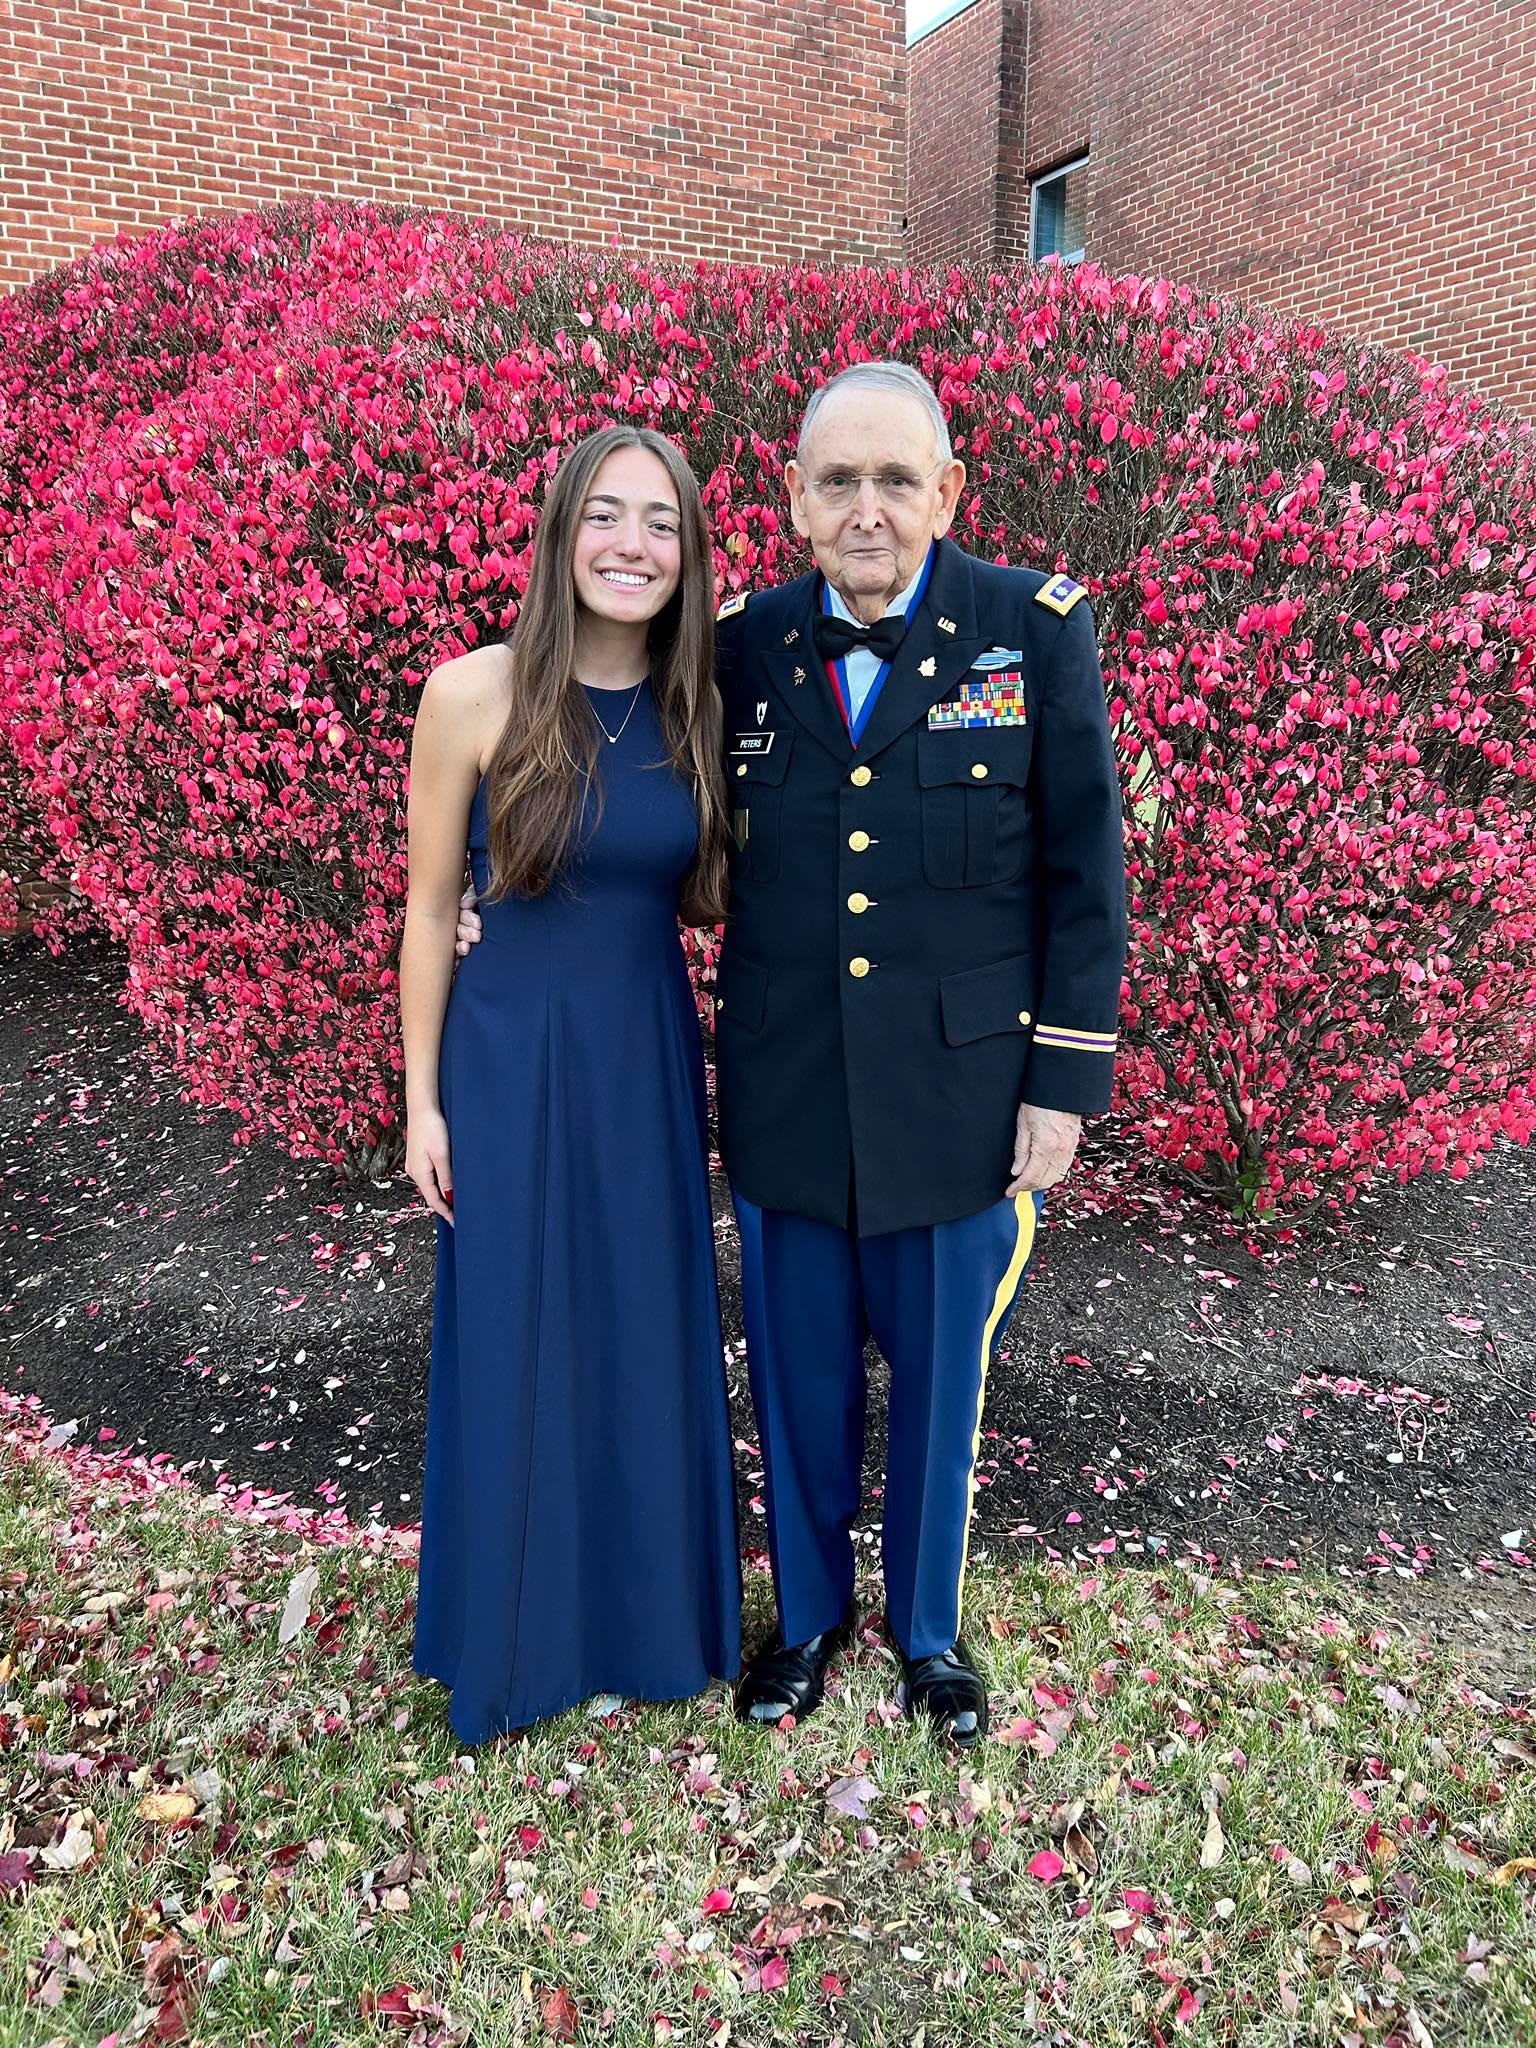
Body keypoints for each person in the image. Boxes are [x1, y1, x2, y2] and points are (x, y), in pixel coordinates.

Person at [459, 363, 1127, 1749]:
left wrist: (1061, 1085)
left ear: (948, 492)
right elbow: (610, 770)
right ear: (796, 499)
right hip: (789, 1090)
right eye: (839, 481)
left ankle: (928, 1634)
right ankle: (810, 1620)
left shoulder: (1032, 631)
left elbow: (1086, 876)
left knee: (939, 1389)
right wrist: (499, 895)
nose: (867, 509)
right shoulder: (743, 644)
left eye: (896, 480)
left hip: (958, 1098)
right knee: (799, 1379)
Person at [400, 424, 741, 1745]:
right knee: (515, 1332)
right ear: (560, 534)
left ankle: (648, 1627)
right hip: (508, 1060)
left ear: (688, 555)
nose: (631, 545)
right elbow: (432, 909)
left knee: (642, 1329)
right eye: (606, 514)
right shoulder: (472, 695)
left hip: (643, 1056)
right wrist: (422, 1104)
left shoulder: (698, 706)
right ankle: (515, 1640)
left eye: (661, 523)